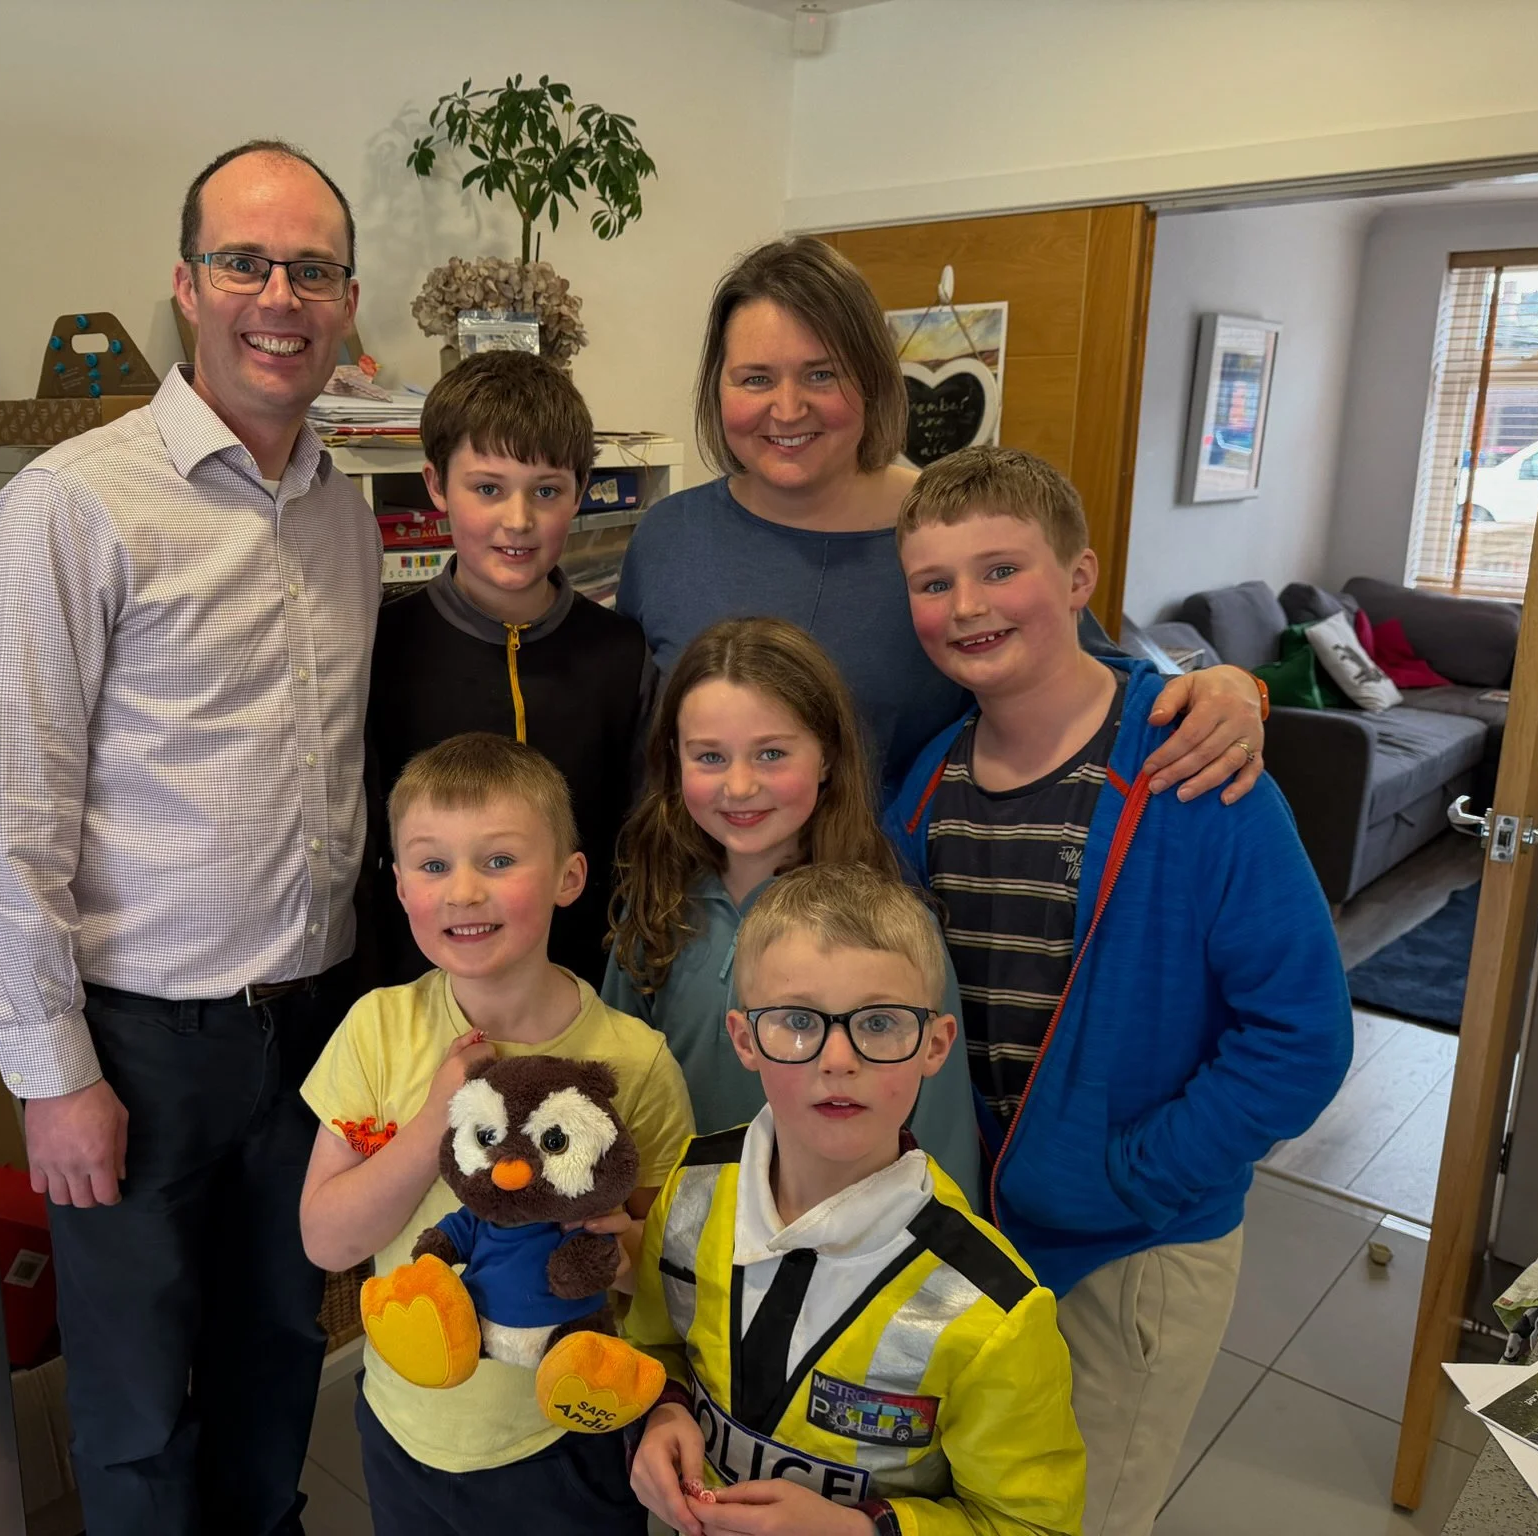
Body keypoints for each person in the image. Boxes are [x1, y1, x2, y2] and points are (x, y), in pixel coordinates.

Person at [0, 140, 375, 1535]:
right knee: (135, 1416)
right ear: (184, 286)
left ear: (347, 300)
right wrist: (53, 1075)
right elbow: (4, 821)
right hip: (138, 1048)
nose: (279, 294)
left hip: (309, 1028)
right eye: (246, 262)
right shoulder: (70, 504)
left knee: (278, 1362)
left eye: (310, 268)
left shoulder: (346, 511)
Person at [881, 446, 1352, 1536]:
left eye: (1000, 571)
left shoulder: (1195, 771)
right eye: (933, 582)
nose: (967, 607)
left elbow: (1297, 1038)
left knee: (1082, 1516)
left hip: (1131, 1246)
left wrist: (1126, 1175)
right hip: (973, 1222)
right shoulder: (927, 783)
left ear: (1080, 577)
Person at [616, 236, 1270, 803]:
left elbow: (1093, 684)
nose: (787, 410)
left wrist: (1230, 686)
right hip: (686, 914)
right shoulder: (669, 539)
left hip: (890, 922)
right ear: (717, 388)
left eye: (821, 375)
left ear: (872, 380)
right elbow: (626, 738)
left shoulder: (956, 533)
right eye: (755, 379)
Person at [300, 733, 695, 1535]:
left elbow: (672, 1277)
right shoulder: (379, 1029)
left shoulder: (634, 1062)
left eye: (499, 860)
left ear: (568, 877)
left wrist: (619, 1253)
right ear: (400, 886)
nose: (463, 893)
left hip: (565, 1438)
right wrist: (435, 1119)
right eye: (433, 865)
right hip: (401, 1424)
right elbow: (327, 1242)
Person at [626, 861, 1084, 1536]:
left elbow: (1032, 1525)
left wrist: (863, 1531)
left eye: (879, 1024)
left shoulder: (991, 1312)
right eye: (796, 1021)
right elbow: (653, 1343)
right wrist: (661, 1407)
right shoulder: (691, 1190)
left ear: (934, 1044)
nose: (838, 1058)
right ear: (745, 1039)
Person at [603, 616, 982, 1201]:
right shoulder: (653, 904)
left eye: (772, 753)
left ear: (827, 757)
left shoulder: (893, 929)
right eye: (709, 757)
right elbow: (615, 1089)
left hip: (846, 1260)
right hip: (676, 1246)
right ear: (673, 760)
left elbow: (942, 1133)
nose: (740, 786)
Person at [366, 348, 653, 985]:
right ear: (436, 484)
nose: (518, 521)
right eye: (488, 488)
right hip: (421, 1002)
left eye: (546, 491)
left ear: (581, 492)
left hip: (585, 995)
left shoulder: (621, 655)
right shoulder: (384, 649)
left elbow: (640, 849)